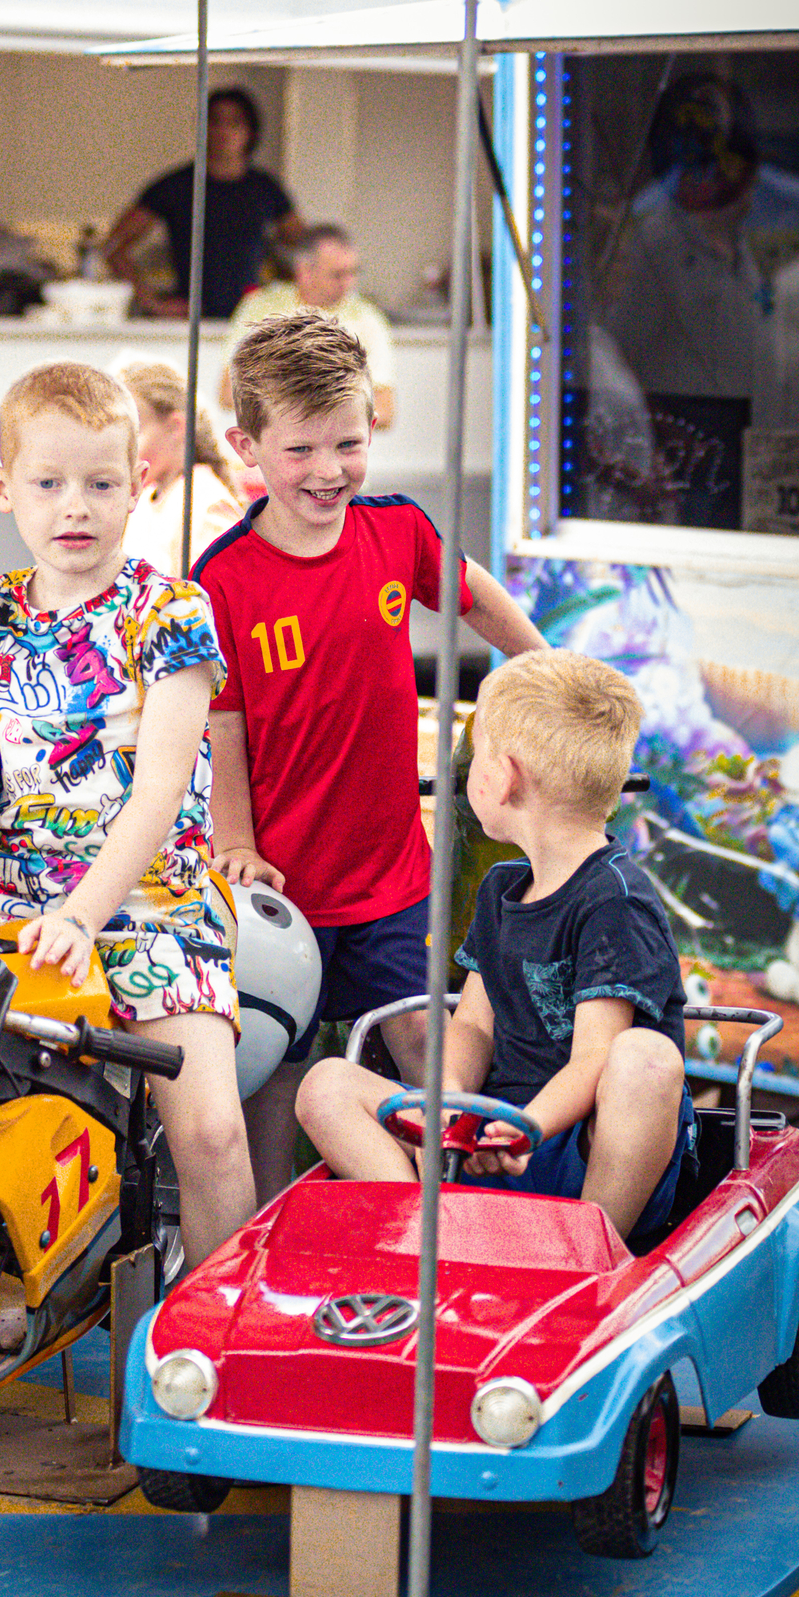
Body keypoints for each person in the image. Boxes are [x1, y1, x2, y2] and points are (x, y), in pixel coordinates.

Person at [192, 312, 547, 1203]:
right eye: (300, 449)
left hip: (394, 879)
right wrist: (234, 840)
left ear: (371, 429)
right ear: (247, 445)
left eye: (346, 444)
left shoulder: (396, 532)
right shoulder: (223, 577)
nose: (327, 470)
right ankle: (260, 1246)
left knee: (433, 1061)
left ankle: (456, 1229)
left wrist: (545, 676)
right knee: (270, 1076)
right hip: (283, 897)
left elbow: (478, 599)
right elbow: (221, 724)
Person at [0, 360, 255, 1268]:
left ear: (139, 486)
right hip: (11, 901)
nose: (73, 506)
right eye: (47, 483)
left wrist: (84, 915)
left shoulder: (170, 612)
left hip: (151, 902)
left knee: (210, 1134)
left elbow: (160, 790)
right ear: (3, 489)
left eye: (100, 483)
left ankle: (208, 1335)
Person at [296, 649, 694, 1249]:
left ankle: (591, 1246)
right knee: (326, 1085)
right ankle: (426, 1226)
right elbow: (476, 1027)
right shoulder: (502, 888)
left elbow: (594, 1059)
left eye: (475, 754)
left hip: (584, 1143)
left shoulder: (616, 899)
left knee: (644, 1057)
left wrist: (525, 1130)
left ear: (499, 776)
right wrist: (450, 1109)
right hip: (492, 1134)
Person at [102, 88, 303, 323]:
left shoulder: (265, 188)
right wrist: (151, 302)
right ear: (202, 127)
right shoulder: (176, 185)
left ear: (250, 131)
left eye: (234, 123)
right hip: (189, 320)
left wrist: (287, 299)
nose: (224, 131)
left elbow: (307, 248)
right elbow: (113, 246)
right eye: (215, 121)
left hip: (250, 319)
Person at [220, 225, 399, 429]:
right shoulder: (262, 307)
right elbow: (229, 393)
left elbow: (385, 410)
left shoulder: (368, 318)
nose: (348, 284)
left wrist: (315, 422)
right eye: (337, 275)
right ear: (304, 271)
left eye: (353, 273)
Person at [120, 359, 243, 579]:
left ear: (176, 426)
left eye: (134, 432)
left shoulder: (205, 504)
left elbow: (211, 599)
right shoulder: (147, 498)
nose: (123, 447)